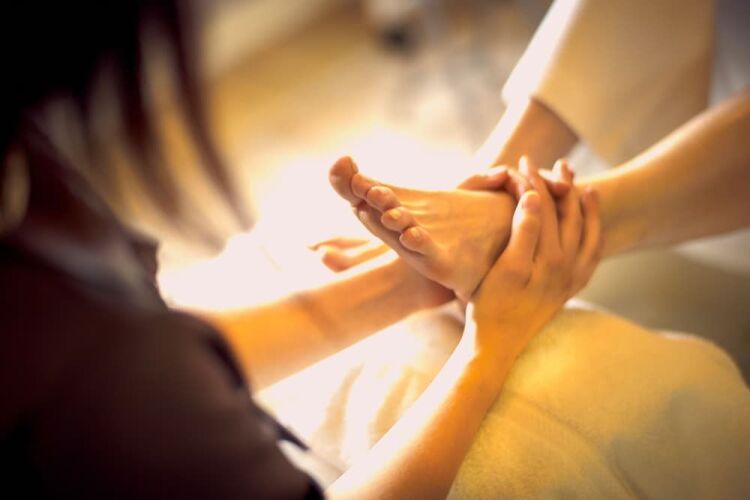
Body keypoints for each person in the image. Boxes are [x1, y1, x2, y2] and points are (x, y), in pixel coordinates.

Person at [0, 1, 600, 498]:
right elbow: (129, 375)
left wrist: (409, 283)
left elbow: (166, 358)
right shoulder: (87, 382)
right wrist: (491, 347)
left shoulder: (27, 175)